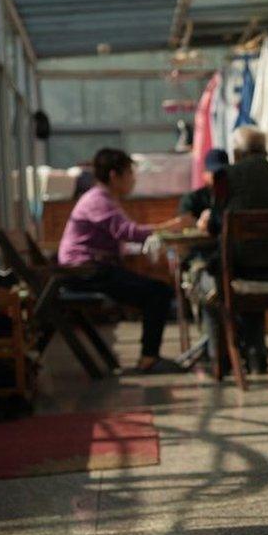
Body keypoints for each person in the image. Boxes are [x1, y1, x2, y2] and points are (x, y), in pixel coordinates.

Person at [57, 147, 184, 373]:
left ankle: (149, 356)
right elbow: (127, 232)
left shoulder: (102, 199)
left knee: (155, 290)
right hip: (85, 271)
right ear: (114, 176)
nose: (133, 180)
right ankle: (149, 358)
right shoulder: (98, 200)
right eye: (130, 174)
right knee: (159, 293)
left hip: (89, 269)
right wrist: (168, 228)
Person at [197, 126, 268, 374]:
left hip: (242, 271)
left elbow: (215, 225)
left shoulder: (226, 177)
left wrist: (207, 221)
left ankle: (220, 362)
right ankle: (256, 355)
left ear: (236, 152)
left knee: (208, 281)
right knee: (245, 264)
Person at [176, 148, 229, 230]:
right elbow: (183, 221)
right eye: (215, 173)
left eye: (222, 173)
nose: (218, 177)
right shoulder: (193, 198)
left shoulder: (232, 196)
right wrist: (199, 224)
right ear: (205, 174)